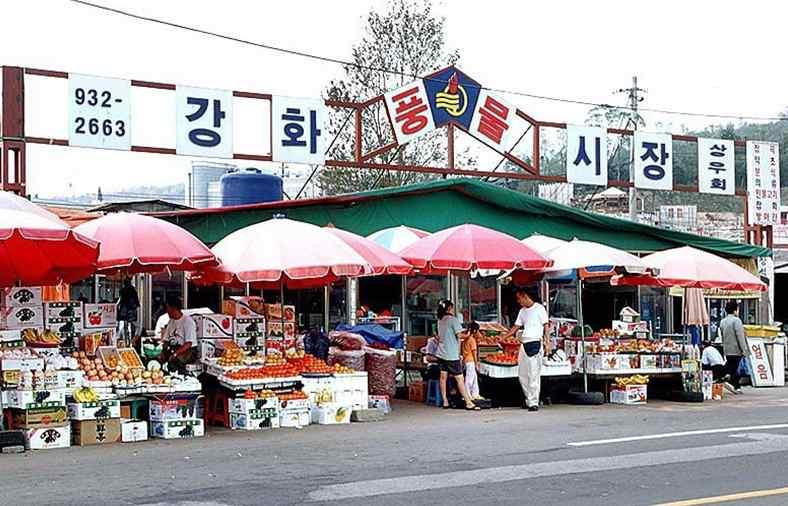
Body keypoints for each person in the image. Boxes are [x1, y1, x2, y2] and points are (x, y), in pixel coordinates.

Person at [503, 288, 550, 411]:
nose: (518, 301)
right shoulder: (522, 311)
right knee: (523, 374)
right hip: (524, 343)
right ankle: (529, 399)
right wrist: (504, 337)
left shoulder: (539, 308)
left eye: (519, 298)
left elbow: (546, 326)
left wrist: (547, 341)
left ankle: (534, 401)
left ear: (525, 296)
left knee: (533, 374)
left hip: (535, 342)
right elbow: (516, 326)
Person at [435, 299, 478, 410]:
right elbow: (459, 336)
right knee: (459, 378)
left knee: (443, 377)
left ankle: (445, 401)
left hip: (441, 353)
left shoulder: (440, 320)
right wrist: (468, 334)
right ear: (449, 308)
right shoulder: (453, 320)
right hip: (451, 354)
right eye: (452, 308)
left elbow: (441, 336)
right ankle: (468, 402)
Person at [719, 301, 750, 394]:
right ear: (735, 310)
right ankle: (732, 383)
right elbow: (740, 336)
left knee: (731, 366)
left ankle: (733, 382)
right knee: (735, 368)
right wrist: (744, 350)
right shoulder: (737, 321)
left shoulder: (722, 321)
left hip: (727, 349)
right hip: (736, 349)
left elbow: (722, 336)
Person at [161, 295, 197, 374]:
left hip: (187, 351)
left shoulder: (188, 322)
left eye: (167, 308)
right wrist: (162, 351)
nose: (166, 311)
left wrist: (175, 354)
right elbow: (166, 340)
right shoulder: (171, 321)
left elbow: (188, 343)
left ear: (173, 308)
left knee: (175, 362)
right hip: (174, 348)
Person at [462, 321, 482, 400]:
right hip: (470, 361)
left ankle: (475, 394)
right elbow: (474, 353)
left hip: (467, 360)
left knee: (474, 378)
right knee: (469, 379)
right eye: (478, 331)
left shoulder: (466, 339)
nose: (479, 333)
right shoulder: (472, 340)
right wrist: (477, 363)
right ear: (475, 331)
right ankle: (467, 395)